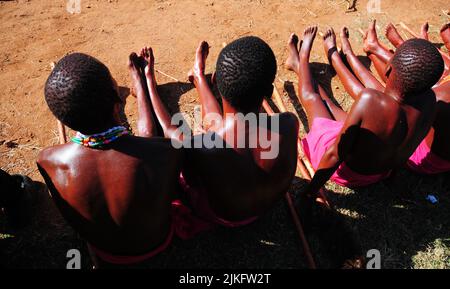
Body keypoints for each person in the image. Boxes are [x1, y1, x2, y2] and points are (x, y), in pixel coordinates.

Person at [37, 52, 184, 267]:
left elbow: (72, 217)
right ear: (117, 99)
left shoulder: (48, 161)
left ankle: (139, 84)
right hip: (159, 241)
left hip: (107, 253)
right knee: (143, 150)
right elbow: (149, 150)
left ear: (64, 119)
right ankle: (140, 84)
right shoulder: (164, 151)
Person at [140, 37, 299, 226]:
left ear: (216, 81)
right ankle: (198, 75)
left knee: (202, 138)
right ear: (270, 90)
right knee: (220, 132)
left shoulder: (201, 149)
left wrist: (149, 82)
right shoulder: (289, 123)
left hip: (224, 216)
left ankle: (153, 85)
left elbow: (169, 131)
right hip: (267, 206)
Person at [284, 24, 443, 199]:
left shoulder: (371, 101)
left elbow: (334, 154)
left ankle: (301, 58)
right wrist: (391, 179)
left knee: (313, 98)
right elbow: (404, 153)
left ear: (388, 69)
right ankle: (298, 64)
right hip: (377, 174)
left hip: (346, 173)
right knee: (328, 105)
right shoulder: (430, 103)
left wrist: (310, 192)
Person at [358, 21, 450, 174]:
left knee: (401, 86)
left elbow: (411, 84)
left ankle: (374, 48)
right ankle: (382, 47)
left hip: (422, 158)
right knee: (410, 75)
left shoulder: (440, 99)